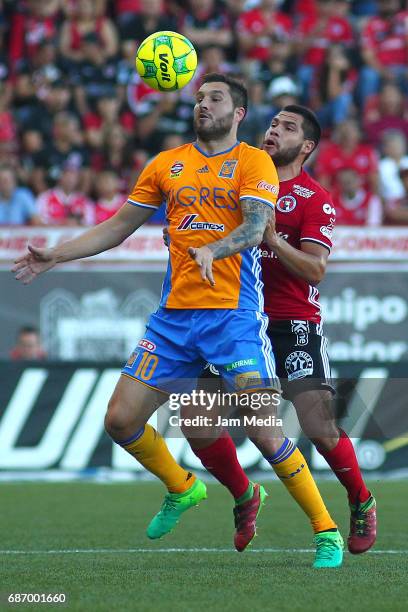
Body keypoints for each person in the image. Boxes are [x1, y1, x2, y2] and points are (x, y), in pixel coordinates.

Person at [13, 72, 317, 555]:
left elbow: (258, 228)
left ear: (238, 114)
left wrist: (215, 249)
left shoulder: (253, 160)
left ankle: (325, 531)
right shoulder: (166, 164)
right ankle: (183, 486)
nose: (202, 104)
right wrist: (58, 253)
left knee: (263, 429)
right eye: (198, 97)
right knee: (119, 421)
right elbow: (117, 227)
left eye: (214, 98)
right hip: (174, 320)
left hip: (232, 317)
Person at [185, 104, 376, 557]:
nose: (274, 130)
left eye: (287, 127)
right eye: (273, 123)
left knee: (319, 425)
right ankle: (244, 494)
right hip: (235, 321)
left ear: (306, 146)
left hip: (292, 324)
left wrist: (272, 240)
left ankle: (361, 499)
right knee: (196, 420)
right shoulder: (242, 177)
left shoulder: (314, 199)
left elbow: (316, 270)